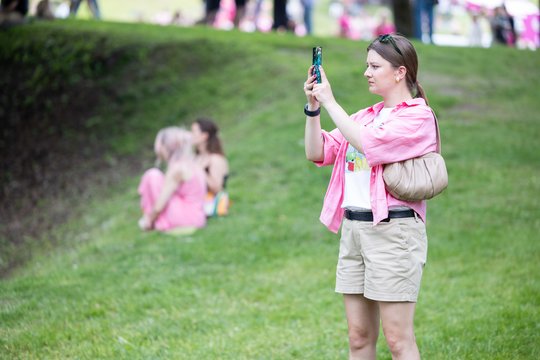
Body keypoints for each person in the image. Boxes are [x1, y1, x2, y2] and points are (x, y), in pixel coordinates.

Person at [303, 34, 437, 359]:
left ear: (400, 72)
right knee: (359, 337)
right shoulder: (365, 116)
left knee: (397, 339)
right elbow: (316, 151)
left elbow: (370, 144)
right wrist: (313, 108)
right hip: (354, 231)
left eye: (375, 66)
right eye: (367, 65)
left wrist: (332, 102)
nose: (367, 72)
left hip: (394, 233)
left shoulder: (417, 117)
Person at [138, 127, 207, 232]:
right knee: (156, 176)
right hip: (197, 216)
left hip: (187, 217)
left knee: (152, 175)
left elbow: (160, 203)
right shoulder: (192, 163)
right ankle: (156, 220)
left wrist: (149, 220)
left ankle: (154, 221)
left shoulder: (177, 168)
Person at [191, 118, 230, 216]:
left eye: (194, 132)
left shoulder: (215, 159)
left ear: (204, 136)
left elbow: (217, 188)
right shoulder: (195, 158)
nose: (190, 135)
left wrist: (200, 170)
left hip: (210, 203)